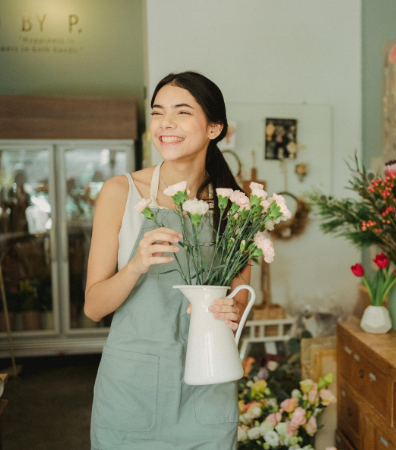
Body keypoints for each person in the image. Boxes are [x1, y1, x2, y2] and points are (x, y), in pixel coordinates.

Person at [84, 71, 249, 449]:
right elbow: (94, 307)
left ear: (214, 128)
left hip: (208, 383)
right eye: (158, 113)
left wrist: (233, 309)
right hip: (130, 392)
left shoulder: (234, 205)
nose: (165, 124)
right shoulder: (120, 193)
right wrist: (136, 266)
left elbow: (241, 295)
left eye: (182, 112)